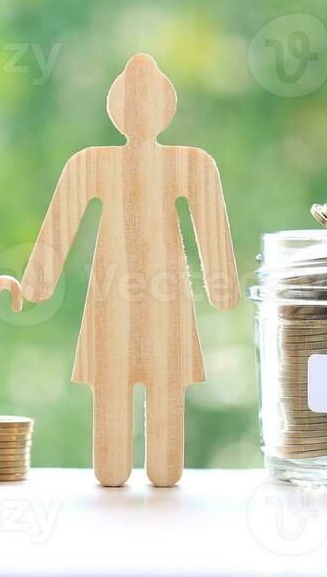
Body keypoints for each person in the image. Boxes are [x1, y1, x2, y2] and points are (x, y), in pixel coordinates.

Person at [22, 54, 239, 487]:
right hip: (120, 298)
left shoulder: (189, 165)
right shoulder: (96, 164)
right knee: (121, 382)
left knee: (159, 381)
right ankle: (125, 467)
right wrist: (35, 284)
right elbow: (58, 231)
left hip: (157, 298)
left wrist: (222, 286)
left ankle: (152, 467)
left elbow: (215, 240)